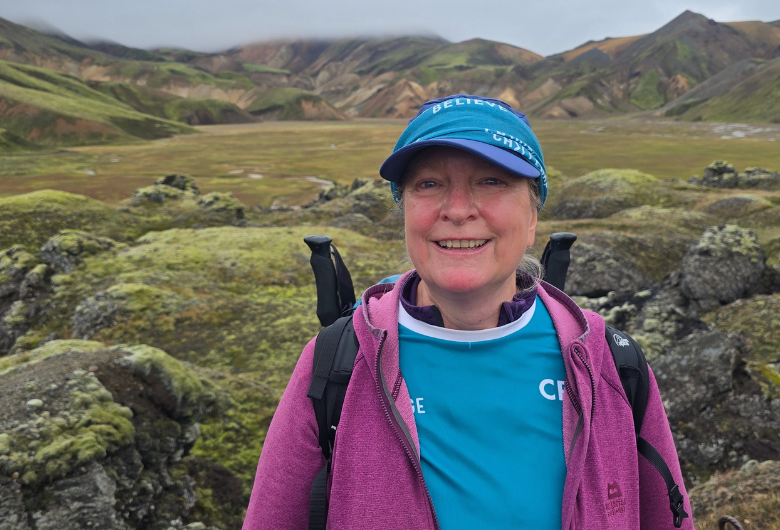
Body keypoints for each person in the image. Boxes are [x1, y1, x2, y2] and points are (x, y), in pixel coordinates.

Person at [245, 94, 693, 529]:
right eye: (429, 184)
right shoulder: (334, 364)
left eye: (492, 181)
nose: (458, 210)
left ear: (533, 215)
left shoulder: (611, 364)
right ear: (404, 211)